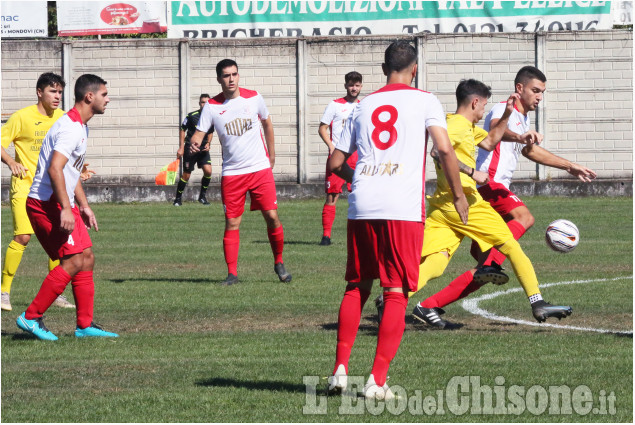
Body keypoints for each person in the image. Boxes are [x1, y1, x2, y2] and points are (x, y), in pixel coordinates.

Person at [326, 41, 468, 400]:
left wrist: (361, 175)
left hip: (362, 203)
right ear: (415, 68)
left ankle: (339, 370)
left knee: (356, 285)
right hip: (402, 208)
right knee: (395, 291)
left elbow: (335, 163)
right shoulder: (425, 100)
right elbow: (444, 149)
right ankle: (376, 381)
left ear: (382, 67)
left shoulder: (362, 105)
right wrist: (459, 194)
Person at [414, 67, 596, 329]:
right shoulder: (497, 110)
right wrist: (476, 166)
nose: (539, 97)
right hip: (485, 186)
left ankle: (424, 304)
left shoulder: (516, 117)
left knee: (454, 265)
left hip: (465, 194)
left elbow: (520, 149)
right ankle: (524, 291)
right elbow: (483, 134)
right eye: (535, 91)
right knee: (522, 220)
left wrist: (568, 165)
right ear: (519, 89)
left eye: (542, 92)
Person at [16, 74, 118, 340]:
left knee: (86, 258)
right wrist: (64, 208)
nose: (108, 99)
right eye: (104, 95)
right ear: (89, 97)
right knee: (73, 260)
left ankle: (84, 326)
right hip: (45, 203)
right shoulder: (71, 127)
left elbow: (70, 173)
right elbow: (54, 168)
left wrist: (83, 206)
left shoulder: (82, 126)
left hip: (62, 202)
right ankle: (31, 317)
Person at [189, 59, 292, 286]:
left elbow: (267, 123)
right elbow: (198, 134)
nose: (231, 79)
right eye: (226, 75)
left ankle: (279, 261)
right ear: (219, 79)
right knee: (232, 223)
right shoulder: (212, 107)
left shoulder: (254, 97)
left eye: (234, 74)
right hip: (233, 174)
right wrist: (193, 144)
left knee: (272, 216)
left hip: (259, 170)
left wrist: (271, 156)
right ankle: (232, 274)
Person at [1, 72, 76, 312]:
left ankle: (56, 293)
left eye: (60, 92)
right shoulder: (21, 117)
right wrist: (11, 162)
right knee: (23, 236)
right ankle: (4, 291)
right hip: (24, 186)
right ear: (39, 92)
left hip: (51, 190)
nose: (57, 97)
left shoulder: (63, 119)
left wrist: (80, 171)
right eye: (53, 92)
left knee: (57, 241)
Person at [318, 71, 363, 246]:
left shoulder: (363, 106)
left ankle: (359, 236)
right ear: (346, 86)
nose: (354, 88)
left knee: (359, 195)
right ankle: (326, 236)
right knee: (332, 196)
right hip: (338, 156)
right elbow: (322, 128)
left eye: (357, 85)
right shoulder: (335, 105)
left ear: (361, 86)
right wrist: (331, 146)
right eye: (351, 85)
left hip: (357, 157)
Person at [173, 94, 214, 206]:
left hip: (203, 150)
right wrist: (181, 147)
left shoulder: (211, 117)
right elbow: (182, 129)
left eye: (207, 102)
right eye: (202, 102)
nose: (204, 104)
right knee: (186, 175)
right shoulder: (191, 116)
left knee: (208, 171)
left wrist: (208, 143)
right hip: (190, 149)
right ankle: (177, 199)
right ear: (199, 103)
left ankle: (202, 197)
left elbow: (210, 132)